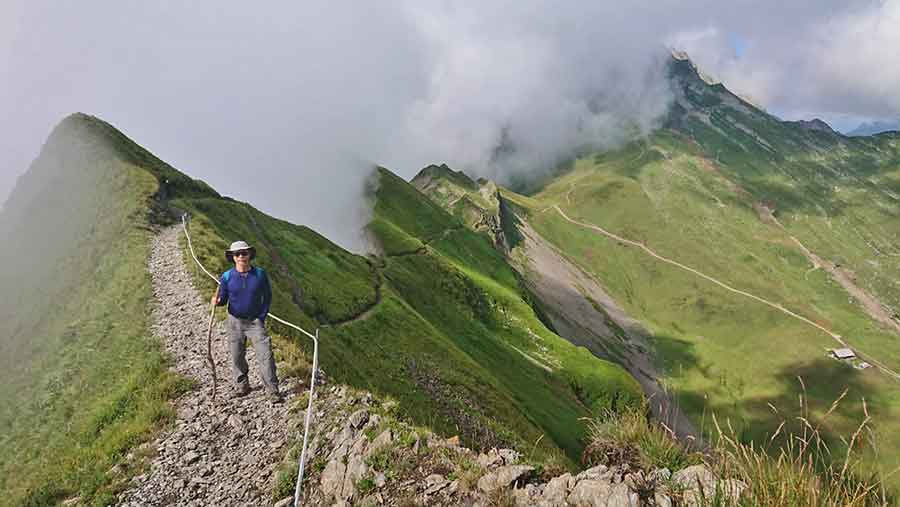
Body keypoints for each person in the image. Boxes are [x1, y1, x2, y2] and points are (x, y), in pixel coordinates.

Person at [211, 240, 283, 403]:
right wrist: (217, 300)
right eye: (237, 254)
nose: (241, 256)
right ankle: (242, 385)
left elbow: (268, 296)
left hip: (255, 322)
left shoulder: (260, 274)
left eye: (244, 253)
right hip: (234, 321)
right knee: (237, 355)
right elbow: (223, 300)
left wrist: (262, 317)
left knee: (266, 356)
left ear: (250, 254)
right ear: (233, 257)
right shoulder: (227, 277)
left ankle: (272, 390)